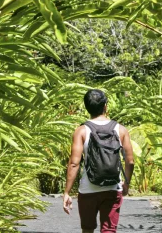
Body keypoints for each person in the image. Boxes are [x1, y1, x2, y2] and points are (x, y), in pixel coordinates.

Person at [62, 89, 135, 233]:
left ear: (86, 107)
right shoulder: (120, 129)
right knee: (109, 230)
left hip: (88, 189)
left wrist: (67, 192)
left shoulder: (81, 131)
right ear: (105, 106)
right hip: (113, 188)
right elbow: (130, 161)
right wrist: (126, 183)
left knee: (88, 229)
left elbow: (74, 163)